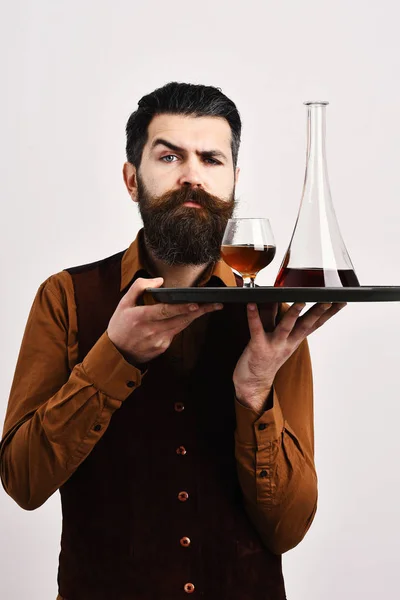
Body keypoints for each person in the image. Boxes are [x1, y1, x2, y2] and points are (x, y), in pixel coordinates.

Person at [0, 82, 345, 600]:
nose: (192, 177)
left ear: (233, 181)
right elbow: (23, 483)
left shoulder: (273, 317)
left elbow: (288, 528)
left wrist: (255, 391)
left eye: (211, 159)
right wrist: (113, 358)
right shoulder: (64, 297)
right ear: (132, 180)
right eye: (169, 156)